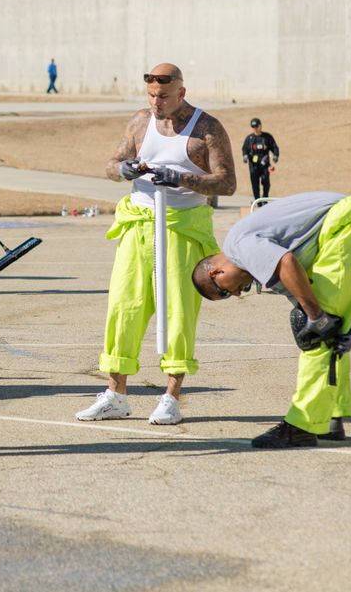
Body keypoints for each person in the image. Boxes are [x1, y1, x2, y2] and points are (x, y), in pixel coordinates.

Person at [76, 63, 236, 425]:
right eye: (150, 96)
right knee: (123, 306)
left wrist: (181, 178)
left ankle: (171, 397)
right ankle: (116, 393)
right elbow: (111, 163)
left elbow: (227, 184)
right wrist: (123, 170)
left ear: (181, 92)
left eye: (163, 96)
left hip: (183, 228)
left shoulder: (207, 128)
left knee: (178, 313)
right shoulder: (139, 122)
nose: (156, 102)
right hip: (139, 224)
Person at [191, 191, 351, 448]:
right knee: (325, 330)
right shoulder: (254, 262)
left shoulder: (237, 248)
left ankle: (302, 425)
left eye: (224, 291)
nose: (236, 294)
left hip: (344, 229)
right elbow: (297, 288)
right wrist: (332, 324)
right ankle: (330, 417)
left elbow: (286, 262)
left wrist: (316, 317)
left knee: (313, 334)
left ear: (216, 271)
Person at [241, 117, 280, 200]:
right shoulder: (250, 138)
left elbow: (274, 147)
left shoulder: (267, 137)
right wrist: (244, 156)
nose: (255, 128)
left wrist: (275, 155)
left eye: (257, 126)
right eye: (253, 127)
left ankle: (265, 199)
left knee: (266, 182)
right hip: (253, 165)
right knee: (255, 184)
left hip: (264, 164)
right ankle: (257, 200)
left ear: (260, 126)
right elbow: (245, 148)